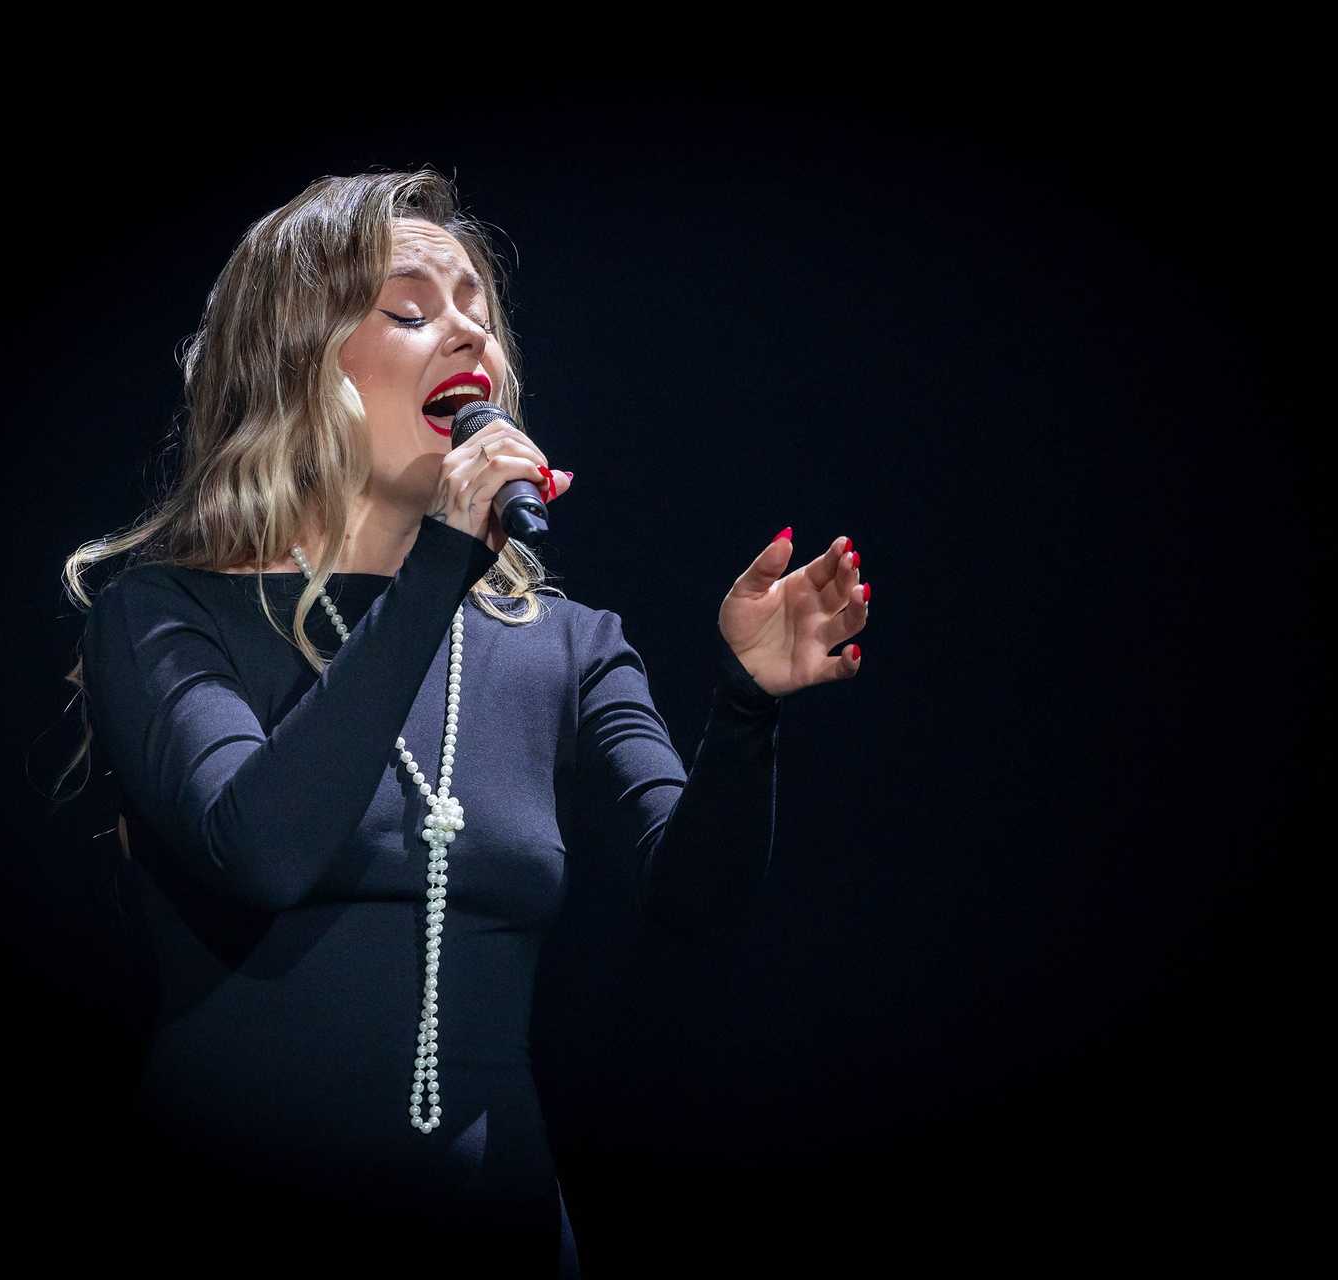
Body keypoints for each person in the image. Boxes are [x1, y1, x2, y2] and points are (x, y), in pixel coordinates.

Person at [64, 171, 868, 1269]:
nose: (465, 332)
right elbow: (260, 848)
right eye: (409, 309)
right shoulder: (164, 616)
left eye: (477, 310)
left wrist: (746, 704)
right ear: (292, 362)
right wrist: (443, 559)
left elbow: (696, 902)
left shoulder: (565, 643)